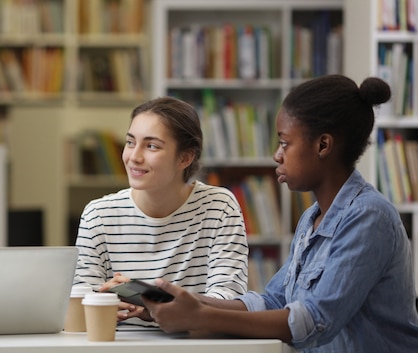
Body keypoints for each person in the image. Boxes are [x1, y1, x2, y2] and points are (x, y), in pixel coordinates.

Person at [144, 75, 418, 352]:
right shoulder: (312, 219)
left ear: (323, 145)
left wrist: (201, 316)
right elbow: (273, 302)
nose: (277, 155)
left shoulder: (369, 217)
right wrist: (183, 303)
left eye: (285, 143)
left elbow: (315, 321)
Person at [73, 96, 248, 327]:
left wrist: (152, 304)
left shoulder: (219, 207)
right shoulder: (98, 214)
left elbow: (228, 298)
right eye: (130, 142)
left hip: (193, 342)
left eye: (152, 146)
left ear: (185, 157)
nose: (134, 157)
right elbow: (81, 300)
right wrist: (102, 306)